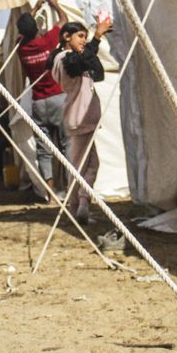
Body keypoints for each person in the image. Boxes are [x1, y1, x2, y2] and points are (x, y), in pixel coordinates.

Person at [49, 17, 112, 222]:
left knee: (89, 164)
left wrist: (93, 42)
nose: (83, 41)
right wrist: (96, 37)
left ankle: (81, 204)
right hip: (80, 116)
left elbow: (97, 71)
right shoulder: (64, 57)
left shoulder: (74, 56)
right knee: (81, 165)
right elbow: (75, 64)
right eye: (80, 36)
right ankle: (78, 204)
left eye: (85, 36)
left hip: (84, 117)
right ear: (67, 37)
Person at [16, 0, 69, 197]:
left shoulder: (22, 48)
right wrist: (55, 4)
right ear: (37, 28)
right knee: (66, 145)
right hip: (58, 97)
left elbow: (23, 29)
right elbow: (63, 21)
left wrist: (35, 7)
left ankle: (49, 190)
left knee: (44, 149)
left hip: (38, 102)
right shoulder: (48, 41)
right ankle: (69, 187)